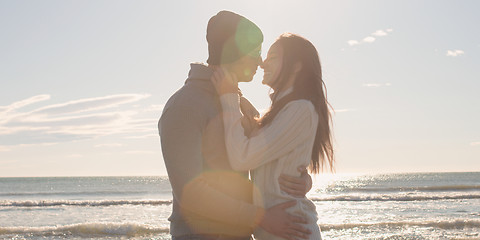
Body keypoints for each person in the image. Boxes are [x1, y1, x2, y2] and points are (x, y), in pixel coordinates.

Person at [159, 11, 313, 240]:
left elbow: (264, 160)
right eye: (256, 52)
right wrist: (261, 217)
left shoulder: (242, 105)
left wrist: (300, 179)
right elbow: (190, 194)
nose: (261, 62)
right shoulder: (184, 106)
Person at [210, 33, 335, 240]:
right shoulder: (283, 111)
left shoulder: (300, 109)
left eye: (273, 57)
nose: (262, 63)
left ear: (296, 66)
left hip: (294, 232)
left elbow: (242, 157)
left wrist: (228, 96)